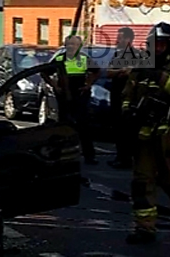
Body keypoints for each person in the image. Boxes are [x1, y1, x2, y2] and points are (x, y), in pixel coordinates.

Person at [120, 23, 170, 243]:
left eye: (162, 45)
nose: (158, 49)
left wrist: (159, 76)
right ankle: (145, 229)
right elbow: (128, 92)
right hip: (144, 134)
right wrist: (127, 112)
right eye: (154, 45)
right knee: (142, 182)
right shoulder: (141, 65)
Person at [51, 35, 99, 164]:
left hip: (80, 96)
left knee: (83, 126)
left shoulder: (84, 59)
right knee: (64, 126)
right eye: (69, 44)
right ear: (65, 46)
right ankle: (62, 155)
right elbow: (44, 72)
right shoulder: (59, 58)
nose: (72, 47)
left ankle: (89, 156)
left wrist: (88, 85)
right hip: (64, 97)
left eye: (75, 45)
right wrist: (55, 86)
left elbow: (96, 71)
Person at [107, 27, 141, 168]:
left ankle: (127, 158)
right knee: (118, 128)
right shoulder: (117, 55)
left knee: (128, 129)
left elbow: (136, 73)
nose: (117, 40)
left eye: (120, 37)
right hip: (116, 95)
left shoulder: (136, 55)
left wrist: (126, 72)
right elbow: (109, 72)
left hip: (130, 98)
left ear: (129, 39)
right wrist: (119, 71)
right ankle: (120, 156)